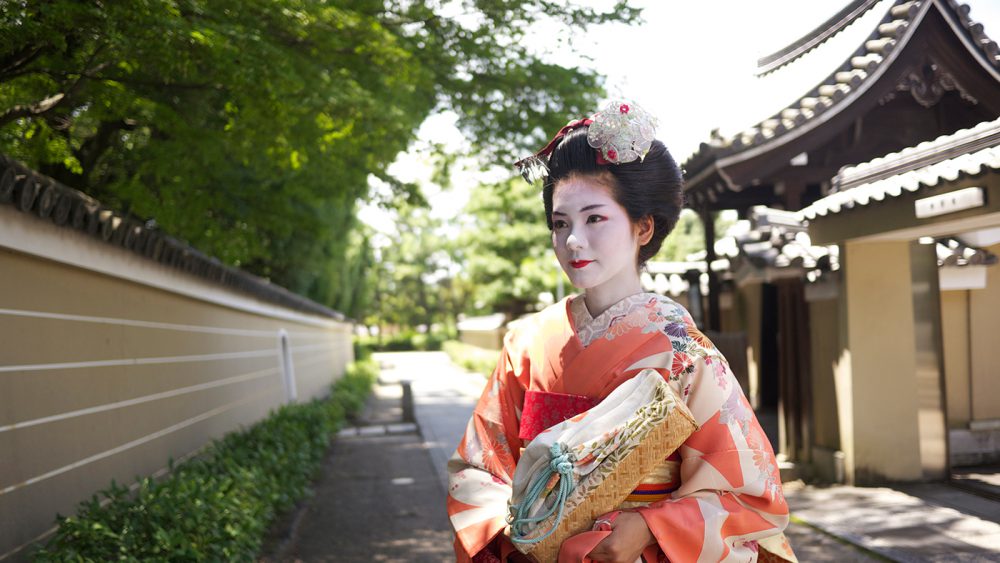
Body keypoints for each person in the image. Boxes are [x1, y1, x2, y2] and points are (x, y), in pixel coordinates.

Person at [446, 101, 795, 563]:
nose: (573, 240)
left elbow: (747, 495)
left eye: (595, 218)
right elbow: (479, 466)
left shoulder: (685, 355)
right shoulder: (526, 343)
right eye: (560, 223)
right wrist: (515, 535)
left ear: (643, 226)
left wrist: (650, 528)